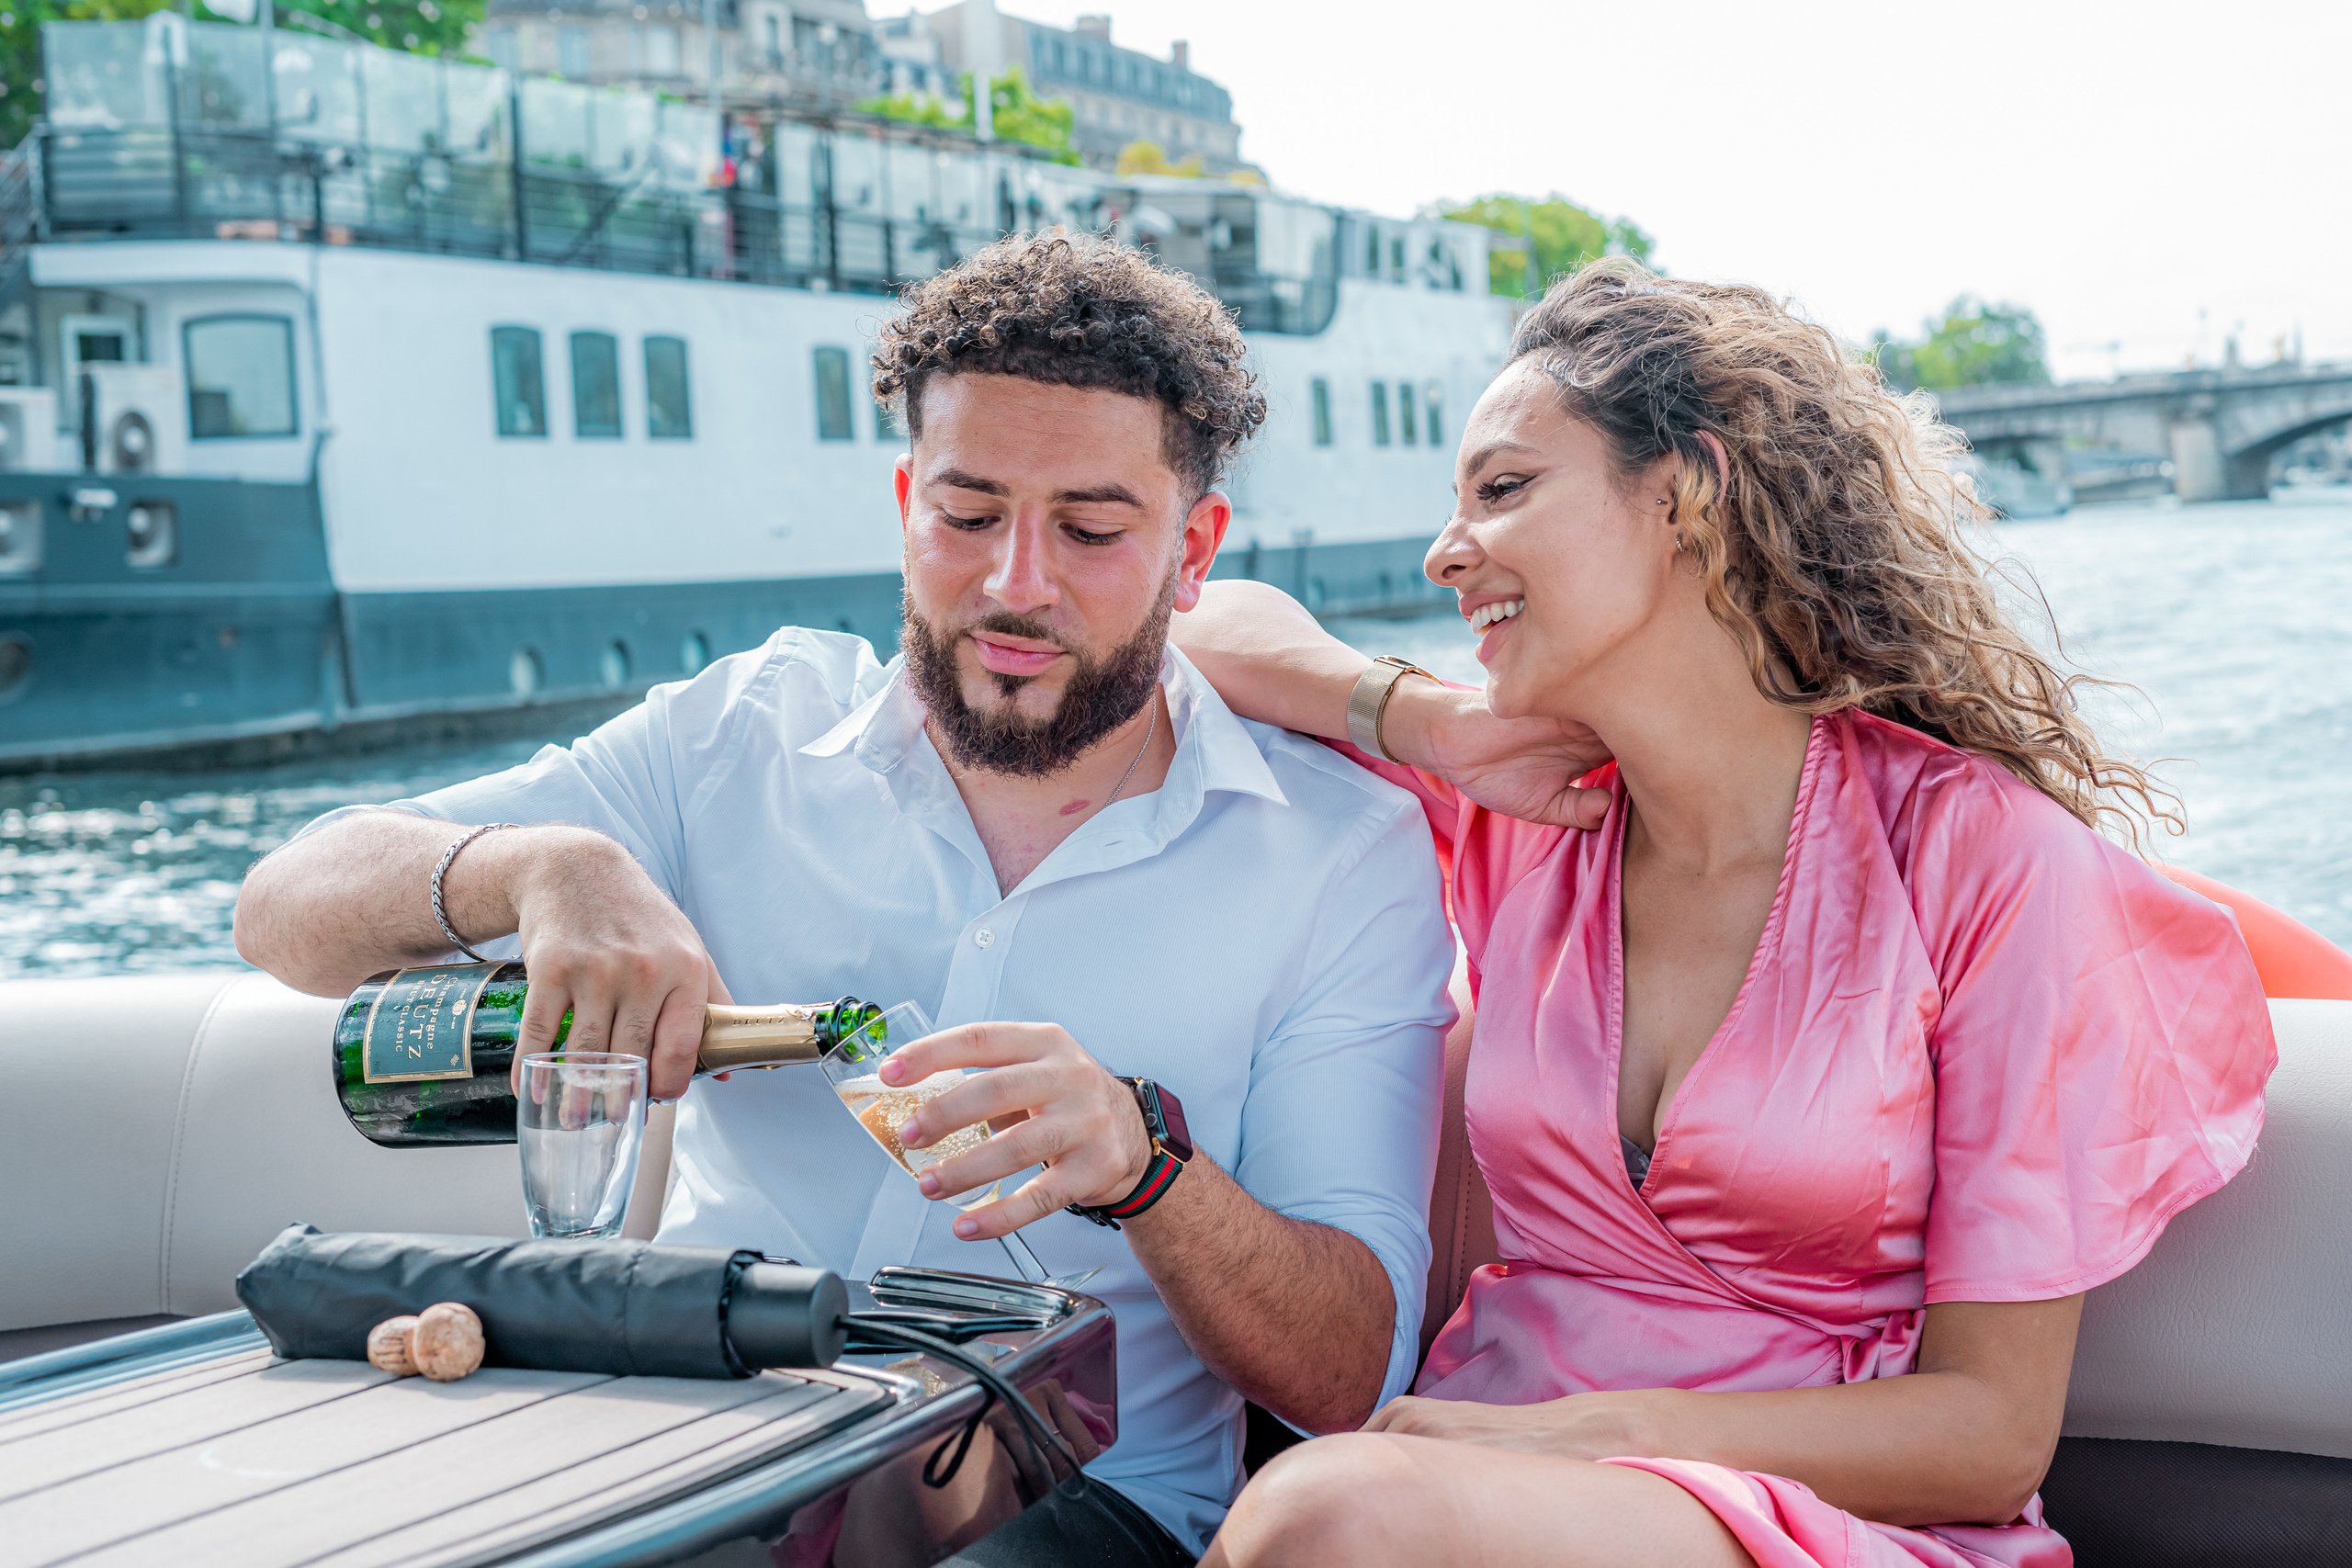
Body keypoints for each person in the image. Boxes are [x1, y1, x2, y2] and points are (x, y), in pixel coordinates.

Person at [234, 233, 1454, 1565]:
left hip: (1076, 1504)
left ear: (1194, 549)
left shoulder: (1341, 854)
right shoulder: (733, 738)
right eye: (968, 514)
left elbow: (1344, 1374)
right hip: (694, 1452)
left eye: (1092, 530)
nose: (1016, 584)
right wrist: (544, 868)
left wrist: (1143, 1162)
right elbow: (283, 908)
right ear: (903, 501)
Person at [1170, 260, 2276, 1568]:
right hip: (1465, 1488)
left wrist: (1586, 1436)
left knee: (1322, 1512)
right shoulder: (1529, 813)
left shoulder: (1987, 861)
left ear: (1687, 491)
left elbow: (1991, 1433)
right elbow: (1192, 625)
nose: (1443, 550)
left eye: (1504, 489)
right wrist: (1434, 722)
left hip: (1796, 1519)